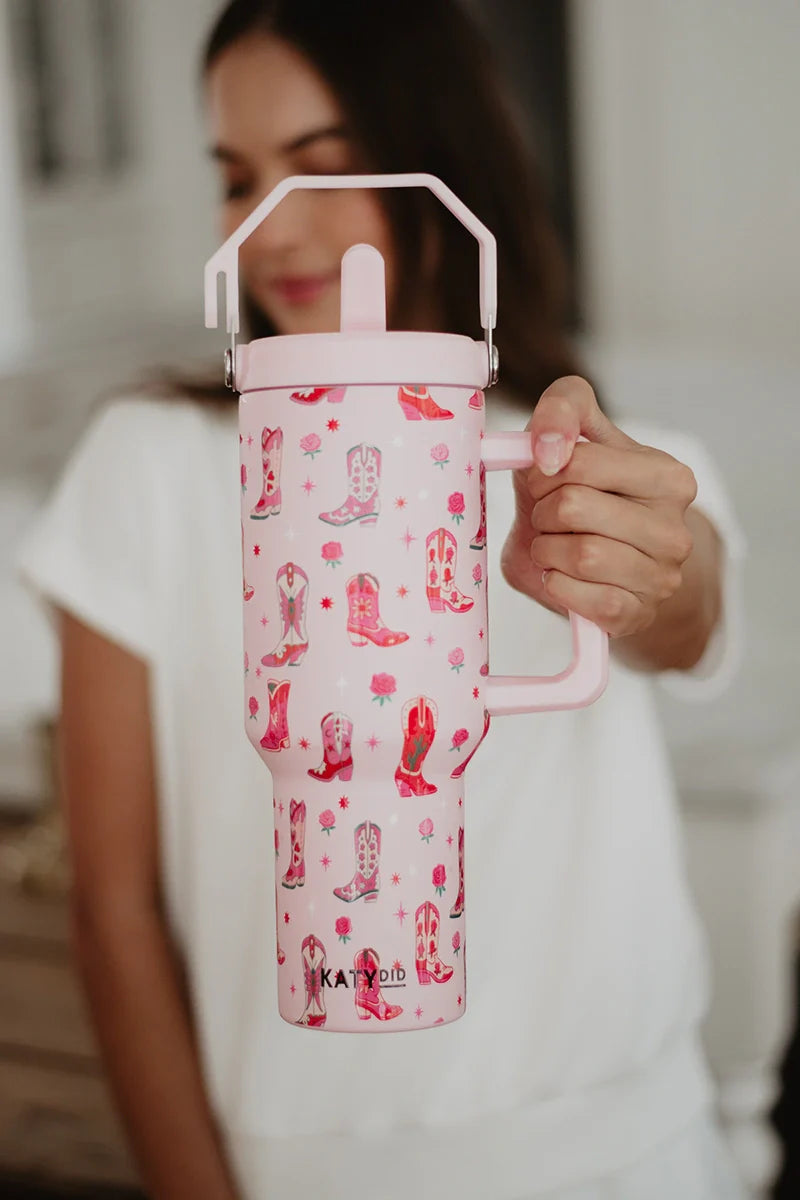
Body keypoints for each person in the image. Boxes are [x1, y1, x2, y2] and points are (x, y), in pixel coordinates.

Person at [15, 2, 749, 1197]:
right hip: (304, 1167)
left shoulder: (583, 454)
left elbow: (686, 606)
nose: (274, 225)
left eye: (329, 165)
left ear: (439, 163)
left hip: (627, 1150)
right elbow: (113, 907)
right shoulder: (147, 463)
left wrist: (646, 569)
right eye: (236, 178)